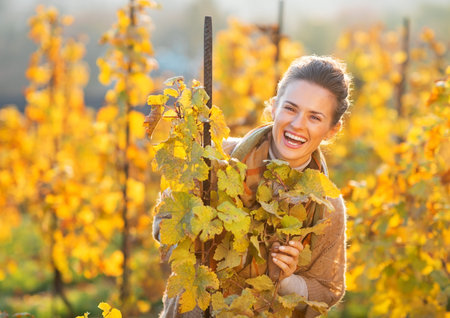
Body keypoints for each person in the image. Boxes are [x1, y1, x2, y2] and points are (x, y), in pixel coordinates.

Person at [153, 55, 351, 318]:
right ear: (273, 107)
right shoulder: (217, 158)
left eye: (314, 117)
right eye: (290, 108)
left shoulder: (326, 206)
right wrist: (203, 221)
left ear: (332, 130)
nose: (297, 124)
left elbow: (327, 291)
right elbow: (163, 227)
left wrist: (287, 278)